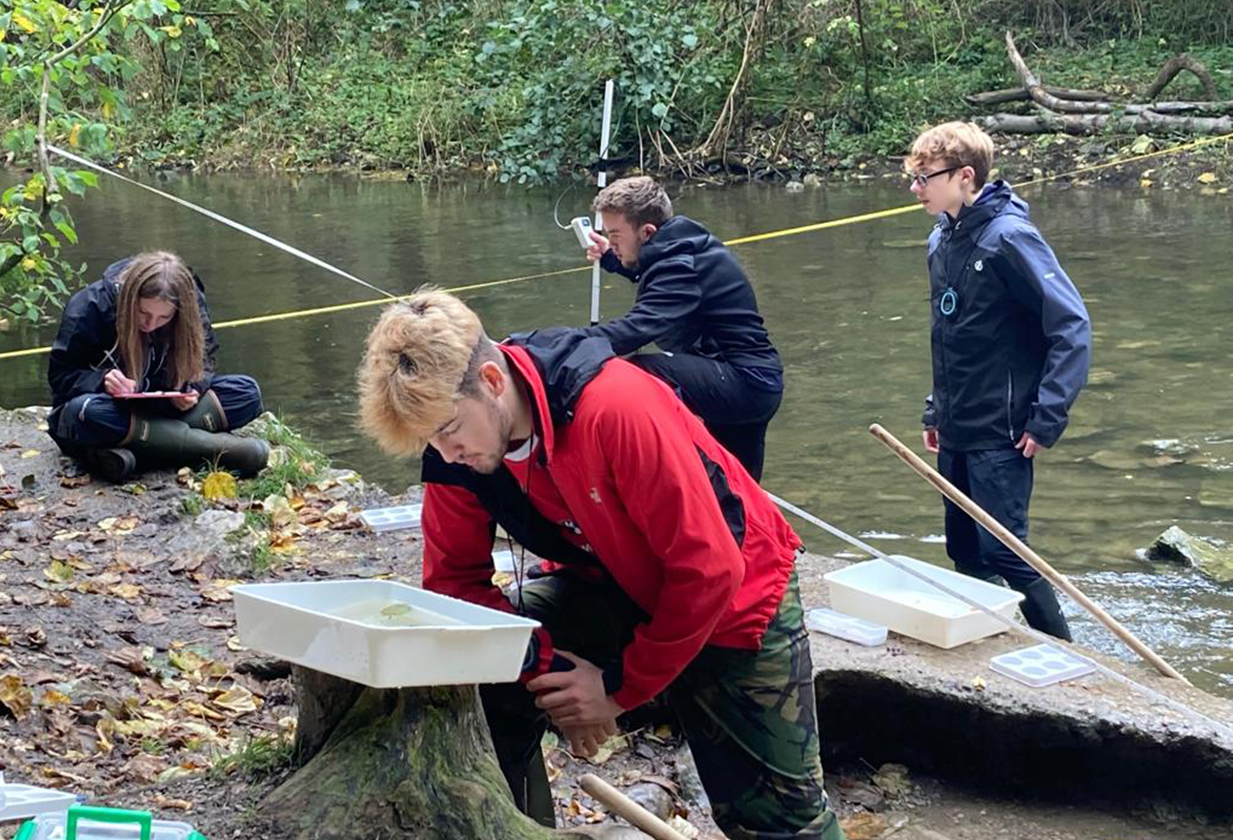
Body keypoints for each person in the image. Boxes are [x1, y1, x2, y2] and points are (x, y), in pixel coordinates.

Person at [357, 291, 845, 840]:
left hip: (736, 595)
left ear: (492, 383)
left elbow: (709, 568)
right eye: (428, 440)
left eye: (448, 431)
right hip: (609, 579)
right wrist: (546, 669)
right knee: (478, 666)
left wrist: (613, 689)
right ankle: (515, 824)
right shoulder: (454, 450)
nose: (445, 453)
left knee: (779, 824)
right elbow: (452, 582)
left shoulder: (614, 406)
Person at [907, 122, 1091, 641]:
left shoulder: (1011, 238)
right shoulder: (940, 238)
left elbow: (1071, 326)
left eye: (925, 178)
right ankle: (996, 642)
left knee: (1006, 551)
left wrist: (1047, 415)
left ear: (965, 177)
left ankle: (1066, 652)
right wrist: (935, 409)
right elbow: (951, 334)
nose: (916, 189)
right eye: (912, 178)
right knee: (963, 549)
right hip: (958, 422)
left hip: (1004, 429)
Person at [580, 176, 783, 481]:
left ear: (648, 232)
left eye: (616, 235)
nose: (613, 242)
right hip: (753, 381)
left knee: (634, 369)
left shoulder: (680, 265)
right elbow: (657, 272)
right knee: (737, 492)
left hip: (743, 382)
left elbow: (635, 330)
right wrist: (614, 257)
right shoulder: (678, 250)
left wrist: (561, 344)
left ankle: (648, 462)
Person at [47, 251, 269, 482]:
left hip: (161, 409)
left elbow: (205, 357)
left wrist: (192, 387)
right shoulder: (90, 305)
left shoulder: (192, 302)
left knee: (246, 392)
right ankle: (212, 450)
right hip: (111, 408)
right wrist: (101, 380)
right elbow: (60, 377)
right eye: (142, 313)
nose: (150, 324)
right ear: (130, 298)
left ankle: (144, 447)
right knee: (87, 412)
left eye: (164, 318)